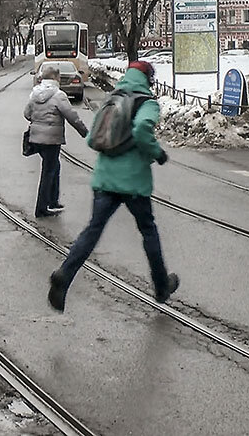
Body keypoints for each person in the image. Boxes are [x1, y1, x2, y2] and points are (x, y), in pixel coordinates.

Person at [48, 60, 178, 312]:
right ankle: (162, 287)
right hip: (133, 182)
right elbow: (141, 130)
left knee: (92, 230)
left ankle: (65, 275)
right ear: (149, 80)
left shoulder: (112, 99)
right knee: (148, 230)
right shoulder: (146, 103)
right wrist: (157, 153)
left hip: (105, 179)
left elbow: (92, 137)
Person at [25, 66, 88, 218]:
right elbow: (71, 116)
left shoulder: (35, 93)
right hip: (51, 139)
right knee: (49, 171)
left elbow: (27, 114)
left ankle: (53, 200)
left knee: (53, 166)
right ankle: (41, 208)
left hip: (36, 138)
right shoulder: (59, 95)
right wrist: (84, 131)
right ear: (55, 78)